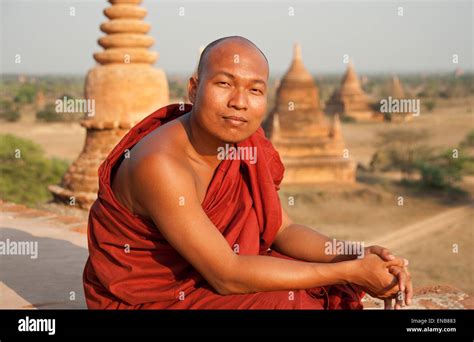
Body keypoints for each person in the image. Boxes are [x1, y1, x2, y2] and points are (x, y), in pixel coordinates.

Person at [83, 36, 412, 309]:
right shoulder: (161, 165)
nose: (239, 102)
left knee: (317, 286)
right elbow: (227, 274)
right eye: (224, 83)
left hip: (210, 272)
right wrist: (351, 271)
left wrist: (353, 253)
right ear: (194, 89)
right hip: (149, 300)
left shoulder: (244, 142)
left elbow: (283, 229)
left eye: (255, 90)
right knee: (291, 300)